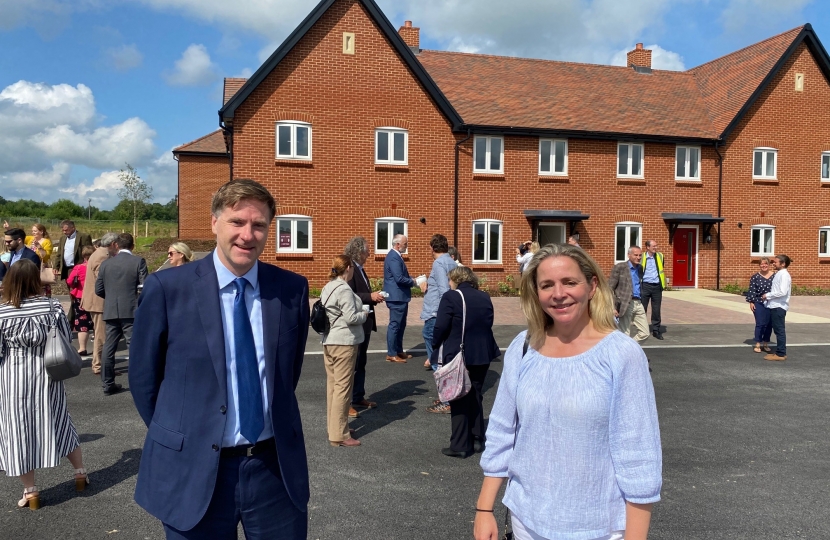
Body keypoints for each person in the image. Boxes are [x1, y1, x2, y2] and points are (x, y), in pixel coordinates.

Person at [129, 179, 310, 538]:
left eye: (259, 225)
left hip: (273, 470)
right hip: (193, 471)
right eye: (237, 222)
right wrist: (186, 433)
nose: (248, 234)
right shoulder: (168, 289)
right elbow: (144, 380)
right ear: (214, 223)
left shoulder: (291, 289)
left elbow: (287, 376)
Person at [474, 244, 661, 540]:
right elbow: (502, 431)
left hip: (597, 527)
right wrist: (484, 509)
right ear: (536, 293)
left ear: (592, 285)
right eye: (546, 285)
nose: (558, 294)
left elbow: (638, 455)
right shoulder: (524, 347)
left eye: (569, 282)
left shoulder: (621, 354)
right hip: (526, 521)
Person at [0, 260, 89, 511]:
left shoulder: (3, 311)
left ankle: (31, 491)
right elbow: (64, 337)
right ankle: (80, 473)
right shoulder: (51, 307)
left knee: (17, 431)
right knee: (60, 420)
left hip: (13, 377)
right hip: (48, 373)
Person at [432, 266, 500, 457]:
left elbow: (441, 327)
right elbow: (488, 322)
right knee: (475, 394)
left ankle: (460, 445)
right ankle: (477, 438)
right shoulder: (484, 296)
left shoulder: (451, 297)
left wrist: (436, 346)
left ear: (454, 279)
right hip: (483, 352)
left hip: (459, 352)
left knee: (458, 396)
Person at [321, 255, 368, 448]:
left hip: (329, 340)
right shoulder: (344, 289)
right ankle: (339, 434)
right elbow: (351, 317)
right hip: (344, 343)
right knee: (343, 389)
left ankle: (335, 427)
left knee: (333, 387)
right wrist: (364, 313)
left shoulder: (328, 287)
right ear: (348, 268)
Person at [95, 233, 148, 396]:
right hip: (131, 309)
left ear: (117, 245)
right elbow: (144, 286)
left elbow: (99, 289)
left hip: (111, 310)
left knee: (109, 348)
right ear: (132, 246)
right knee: (134, 347)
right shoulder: (138, 261)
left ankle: (107, 383)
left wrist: (111, 298)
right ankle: (137, 383)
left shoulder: (106, 264)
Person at [344, 236, 384, 418]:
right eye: (367, 250)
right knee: (352, 365)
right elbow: (350, 294)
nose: (369, 253)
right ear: (358, 251)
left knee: (361, 362)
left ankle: (358, 396)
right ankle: (348, 402)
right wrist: (370, 296)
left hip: (365, 322)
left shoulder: (360, 269)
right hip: (356, 322)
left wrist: (373, 296)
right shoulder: (350, 269)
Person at [80, 232, 118, 375]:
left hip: (96, 301)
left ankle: (100, 364)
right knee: (101, 335)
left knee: (101, 334)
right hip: (99, 302)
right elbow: (101, 280)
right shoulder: (103, 256)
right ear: (113, 244)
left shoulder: (99, 253)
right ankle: (99, 366)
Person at [421, 234, 457, 372]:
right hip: (442, 309)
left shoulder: (439, 263)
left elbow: (444, 290)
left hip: (435, 311)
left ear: (432, 248)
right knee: (442, 341)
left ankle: (439, 370)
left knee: (429, 335)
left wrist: (444, 312)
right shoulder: (451, 262)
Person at [383, 234, 418, 363]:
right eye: (405, 244)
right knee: (395, 325)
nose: (406, 246)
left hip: (400, 296)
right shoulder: (393, 257)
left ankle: (398, 350)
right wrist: (414, 281)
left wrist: (413, 279)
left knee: (401, 325)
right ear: (397, 244)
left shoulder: (397, 256)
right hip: (396, 296)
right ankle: (392, 353)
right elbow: (399, 278)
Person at [608, 246, 649, 345]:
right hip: (624, 303)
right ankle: (625, 356)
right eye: (636, 255)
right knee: (625, 333)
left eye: (640, 255)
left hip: (638, 303)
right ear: (629, 255)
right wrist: (613, 307)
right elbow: (609, 288)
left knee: (645, 333)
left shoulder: (640, 268)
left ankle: (629, 349)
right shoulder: (620, 267)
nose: (638, 257)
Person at [762, 254, 792, 362]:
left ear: (783, 264)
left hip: (779, 306)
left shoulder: (784, 275)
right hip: (775, 305)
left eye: (776, 262)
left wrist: (768, 295)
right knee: (778, 330)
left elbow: (782, 292)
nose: (773, 263)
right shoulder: (779, 274)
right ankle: (780, 351)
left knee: (779, 330)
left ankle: (780, 353)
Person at [67, 245, 95, 356]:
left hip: (80, 297)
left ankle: (82, 348)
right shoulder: (98, 266)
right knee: (97, 322)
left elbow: (69, 281)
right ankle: (99, 348)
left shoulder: (79, 268)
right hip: (96, 297)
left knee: (82, 323)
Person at [746, 257, 775, 354]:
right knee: (760, 323)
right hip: (758, 302)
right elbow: (752, 290)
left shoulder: (775, 276)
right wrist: (751, 302)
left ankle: (765, 343)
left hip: (772, 302)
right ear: (759, 265)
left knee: (769, 324)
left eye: (765, 264)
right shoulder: (755, 277)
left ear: (769, 264)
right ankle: (758, 343)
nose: (764, 266)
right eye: (762, 264)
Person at [640, 239, 666, 340]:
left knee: (656, 309)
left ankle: (656, 330)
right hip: (645, 285)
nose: (656, 248)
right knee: (642, 309)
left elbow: (661, 269)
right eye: (654, 246)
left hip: (656, 286)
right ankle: (642, 329)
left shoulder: (660, 256)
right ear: (647, 247)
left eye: (656, 246)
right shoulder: (641, 256)